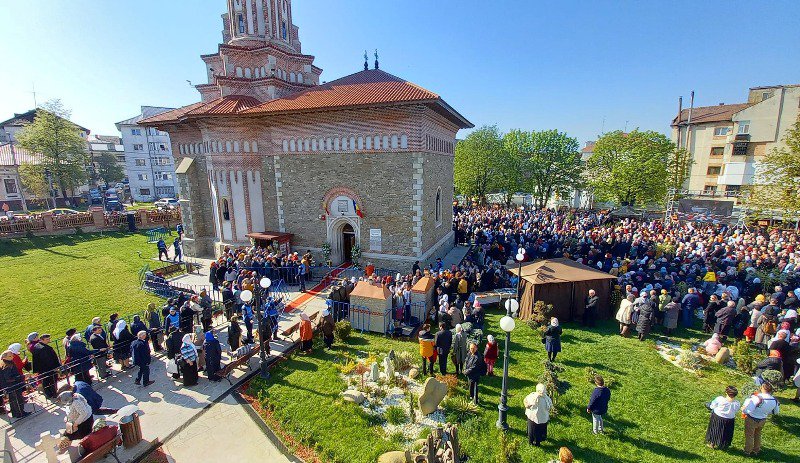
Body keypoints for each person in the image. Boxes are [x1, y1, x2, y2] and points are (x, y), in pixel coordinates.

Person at [742, 382, 780, 456]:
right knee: (758, 434)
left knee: (749, 435)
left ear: (762, 388)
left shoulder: (757, 397)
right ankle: (756, 450)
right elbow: (776, 412)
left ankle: (747, 451)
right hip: (763, 419)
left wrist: (743, 409)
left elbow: (748, 410)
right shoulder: (774, 400)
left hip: (752, 418)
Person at [30, 333, 60, 399]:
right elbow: (49, 360)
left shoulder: (36, 346)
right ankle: (54, 394)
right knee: (52, 381)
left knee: (45, 382)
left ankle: (49, 394)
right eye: (47, 339)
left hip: (42, 369)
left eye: (49, 339)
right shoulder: (45, 349)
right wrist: (55, 367)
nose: (49, 340)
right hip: (49, 369)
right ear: (42, 340)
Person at [0, 351, 29, 418]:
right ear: (4, 357)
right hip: (13, 386)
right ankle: (20, 413)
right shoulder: (6, 365)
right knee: (17, 400)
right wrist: (23, 376)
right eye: (10, 356)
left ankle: (16, 413)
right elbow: (9, 378)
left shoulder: (7, 362)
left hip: (11, 386)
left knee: (14, 401)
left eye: (12, 355)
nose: (12, 357)